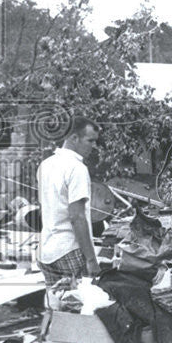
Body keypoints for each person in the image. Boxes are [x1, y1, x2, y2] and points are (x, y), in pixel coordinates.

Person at [36, 116, 101, 287]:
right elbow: (77, 216)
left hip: (46, 251)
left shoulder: (46, 164)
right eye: (90, 141)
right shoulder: (77, 168)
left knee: (57, 307)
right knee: (80, 307)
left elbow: (45, 208)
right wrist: (91, 260)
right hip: (69, 250)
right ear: (73, 138)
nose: (93, 147)